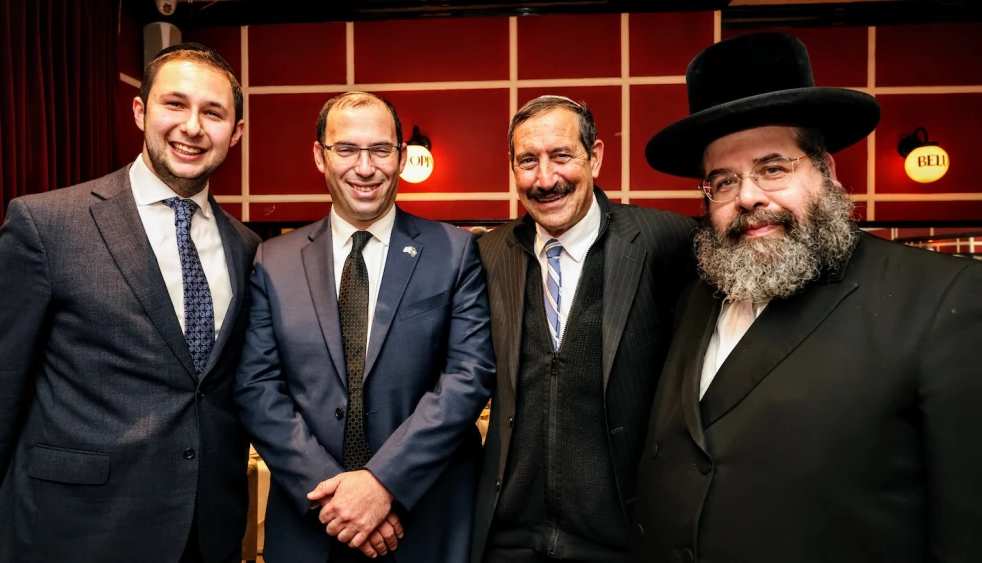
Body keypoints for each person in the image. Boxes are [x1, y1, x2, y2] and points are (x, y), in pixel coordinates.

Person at [631, 32, 982, 563]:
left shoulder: (942, 299)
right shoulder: (698, 296)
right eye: (723, 182)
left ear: (826, 172)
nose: (748, 197)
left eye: (773, 168)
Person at [0, 43, 260, 562]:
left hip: (207, 531)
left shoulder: (247, 248)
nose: (193, 127)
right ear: (140, 111)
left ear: (236, 132)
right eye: (174, 104)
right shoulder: (48, 224)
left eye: (214, 112)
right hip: (72, 527)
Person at [234, 91, 496, 563]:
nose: (365, 166)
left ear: (399, 157)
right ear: (320, 155)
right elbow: (257, 387)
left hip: (425, 516)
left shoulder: (454, 252)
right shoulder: (273, 260)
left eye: (380, 149)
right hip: (312, 519)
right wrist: (342, 503)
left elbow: (468, 376)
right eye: (347, 149)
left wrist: (383, 484)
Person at [471, 95, 697, 563]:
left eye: (562, 156)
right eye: (528, 161)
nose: (545, 179)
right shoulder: (488, 255)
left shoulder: (667, 241)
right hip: (507, 540)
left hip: (621, 539)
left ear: (594, 156)